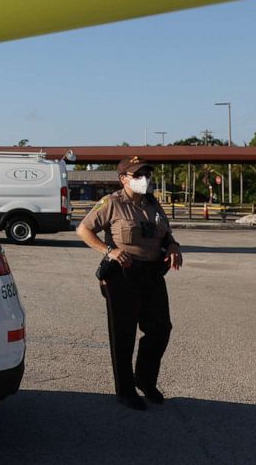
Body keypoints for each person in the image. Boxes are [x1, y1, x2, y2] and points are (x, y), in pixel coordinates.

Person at [76, 156, 184, 410]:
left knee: (160, 329)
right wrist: (108, 250)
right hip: (123, 275)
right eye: (137, 175)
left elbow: (165, 234)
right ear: (123, 178)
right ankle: (125, 390)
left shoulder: (153, 204)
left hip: (153, 274)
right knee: (123, 334)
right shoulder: (112, 203)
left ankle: (145, 380)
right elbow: (83, 230)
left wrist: (173, 246)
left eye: (146, 174)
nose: (143, 180)